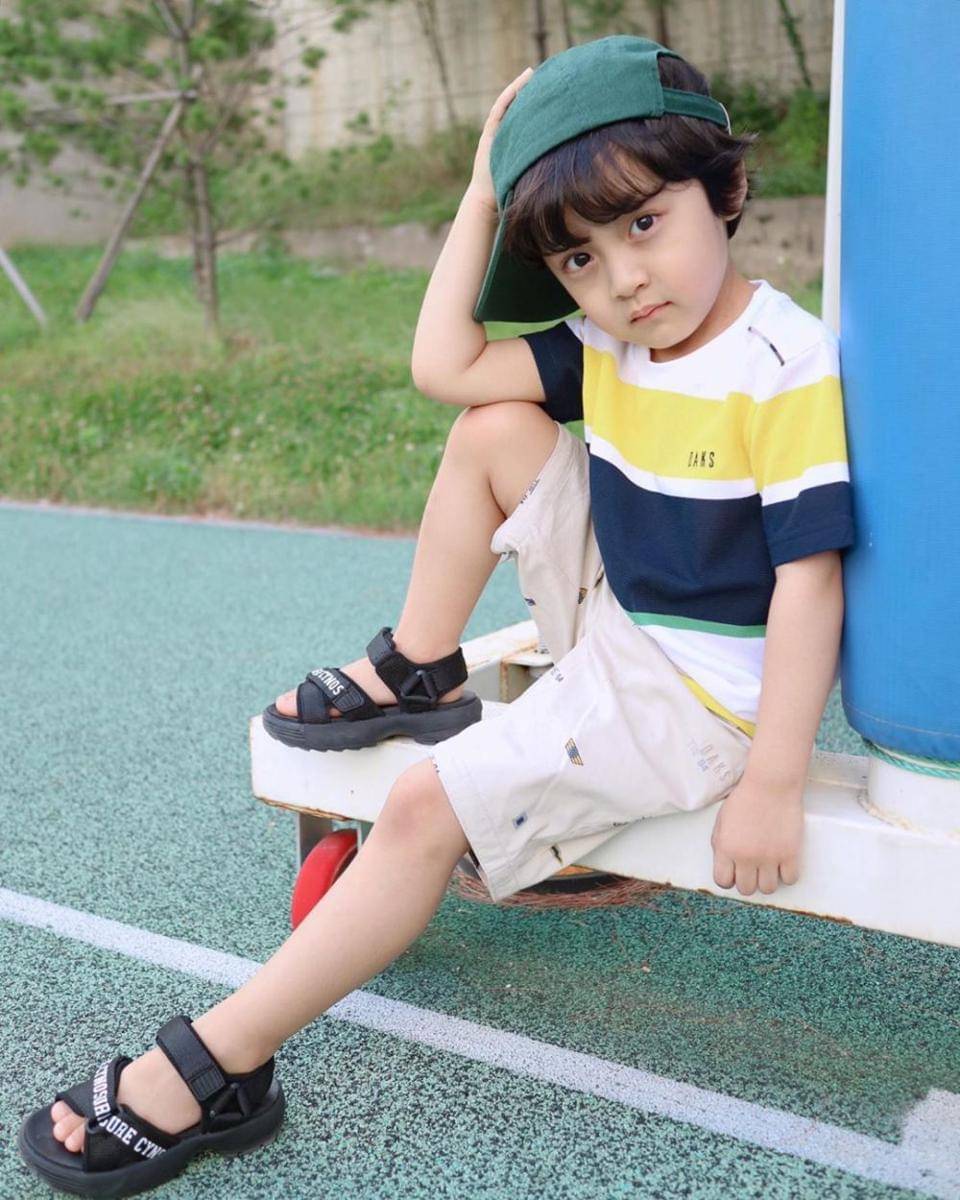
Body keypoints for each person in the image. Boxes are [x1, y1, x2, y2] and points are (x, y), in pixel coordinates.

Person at [20, 35, 853, 1197]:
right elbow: (444, 368)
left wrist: (773, 778)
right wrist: (478, 196)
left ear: (727, 190)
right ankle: (419, 666)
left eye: (645, 223)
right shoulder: (609, 340)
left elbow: (812, 580)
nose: (624, 277)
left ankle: (219, 1064)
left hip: (699, 694)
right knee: (493, 429)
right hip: (621, 611)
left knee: (419, 806)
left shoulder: (781, 360)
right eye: (580, 256)